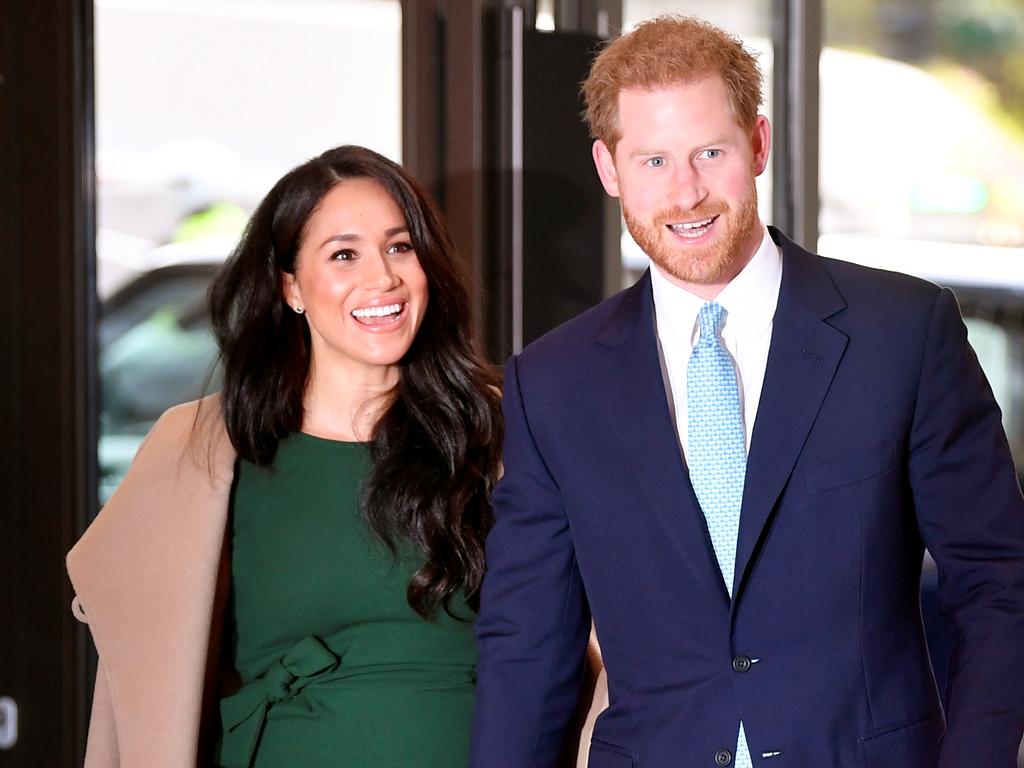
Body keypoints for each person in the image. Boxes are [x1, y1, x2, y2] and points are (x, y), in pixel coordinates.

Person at [470, 15, 1024, 768]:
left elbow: (1000, 584)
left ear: (758, 144)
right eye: (654, 160)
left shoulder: (901, 333)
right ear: (609, 169)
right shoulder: (554, 382)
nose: (686, 192)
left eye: (710, 152)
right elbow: (527, 645)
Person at [67, 145, 503, 767]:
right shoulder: (205, 448)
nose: (381, 277)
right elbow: (141, 655)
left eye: (400, 247)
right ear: (291, 286)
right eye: (344, 254)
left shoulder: (498, 431)